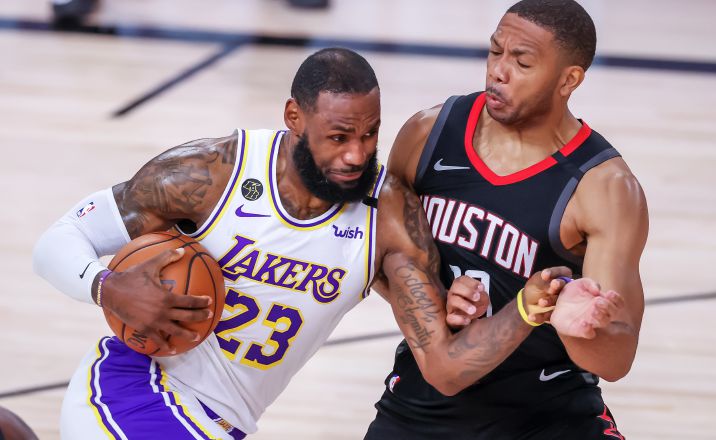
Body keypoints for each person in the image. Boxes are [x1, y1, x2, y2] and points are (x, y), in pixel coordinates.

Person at [33, 47, 622, 439]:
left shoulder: (387, 216)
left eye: (370, 135)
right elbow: (59, 240)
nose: (357, 155)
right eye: (339, 136)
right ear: (294, 116)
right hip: (134, 389)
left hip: (224, 424)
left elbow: (443, 366)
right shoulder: (212, 171)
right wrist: (105, 285)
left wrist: (527, 307)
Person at [365, 1, 649, 439]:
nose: (499, 71)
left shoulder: (604, 188)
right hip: (425, 404)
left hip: (549, 413)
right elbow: (374, 257)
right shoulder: (428, 134)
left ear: (568, 80)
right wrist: (433, 298)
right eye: (495, 52)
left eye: (522, 61)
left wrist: (576, 329)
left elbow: (616, 360)